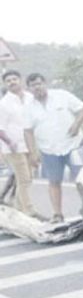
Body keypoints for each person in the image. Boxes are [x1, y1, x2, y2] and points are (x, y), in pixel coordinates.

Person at [24, 73, 83, 223]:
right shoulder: (28, 108)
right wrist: (32, 153)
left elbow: (82, 109)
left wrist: (77, 125)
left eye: (39, 83)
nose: (37, 87)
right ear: (29, 88)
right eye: (33, 85)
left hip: (73, 146)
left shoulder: (62, 95)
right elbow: (28, 131)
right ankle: (58, 214)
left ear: (45, 83)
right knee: (54, 182)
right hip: (49, 150)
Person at [0, 70, 38, 217]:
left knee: (30, 177)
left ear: (20, 80)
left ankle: (17, 208)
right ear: (5, 84)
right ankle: (29, 210)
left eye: (14, 79)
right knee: (23, 179)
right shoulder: (4, 104)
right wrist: (10, 142)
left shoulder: (30, 98)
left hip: (31, 144)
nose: (12, 82)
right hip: (13, 147)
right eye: (8, 81)